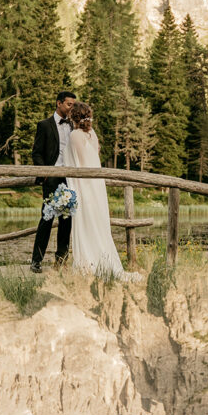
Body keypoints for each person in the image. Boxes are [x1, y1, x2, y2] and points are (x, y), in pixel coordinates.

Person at [67, 101, 141, 281]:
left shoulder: (75, 135)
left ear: (73, 116)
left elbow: (80, 164)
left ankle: (88, 265)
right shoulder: (92, 134)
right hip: (96, 185)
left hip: (85, 185)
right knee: (97, 224)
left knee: (86, 223)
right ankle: (101, 262)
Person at [30, 91, 76, 273]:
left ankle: (61, 261)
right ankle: (36, 261)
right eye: (68, 104)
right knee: (46, 219)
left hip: (70, 179)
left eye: (73, 104)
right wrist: (45, 172)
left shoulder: (74, 126)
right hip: (51, 178)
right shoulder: (44, 125)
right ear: (59, 103)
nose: (71, 107)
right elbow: (36, 153)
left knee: (66, 221)